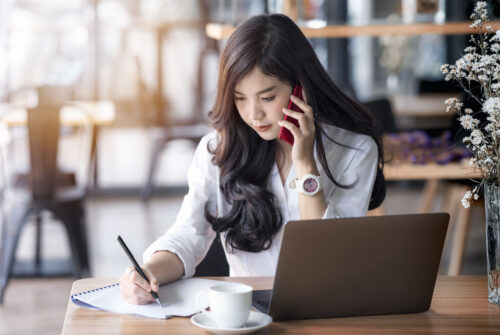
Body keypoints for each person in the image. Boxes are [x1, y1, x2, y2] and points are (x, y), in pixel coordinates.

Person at [120, 14, 386, 305]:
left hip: (325, 310)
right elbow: (188, 235)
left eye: (267, 98)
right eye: (240, 98)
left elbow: (328, 257)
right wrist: (147, 273)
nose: (253, 114)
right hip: (246, 316)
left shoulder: (356, 149)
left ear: (301, 88)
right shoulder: (218, 150)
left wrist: (306, 163)